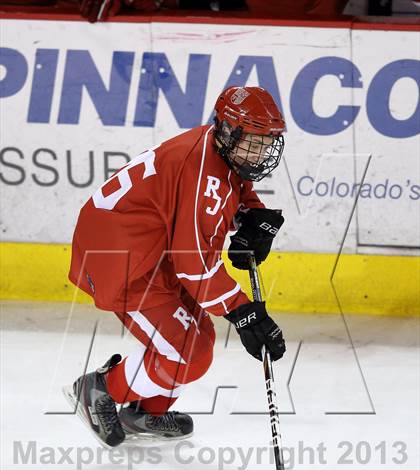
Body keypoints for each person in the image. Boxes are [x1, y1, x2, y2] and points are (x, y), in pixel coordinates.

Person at [65, 85, 287, 447]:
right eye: (254, 142)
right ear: (228, 131)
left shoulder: (215, 148)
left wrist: (252, 212)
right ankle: (98, 389)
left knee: (197, 338)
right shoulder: (208, 173)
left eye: (267, 143)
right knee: (188, 351)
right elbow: (195, 266)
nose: (261, 152)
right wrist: (244, 311)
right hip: (121, 262)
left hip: (146, 249)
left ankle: (145, 412)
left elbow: (228, 189)